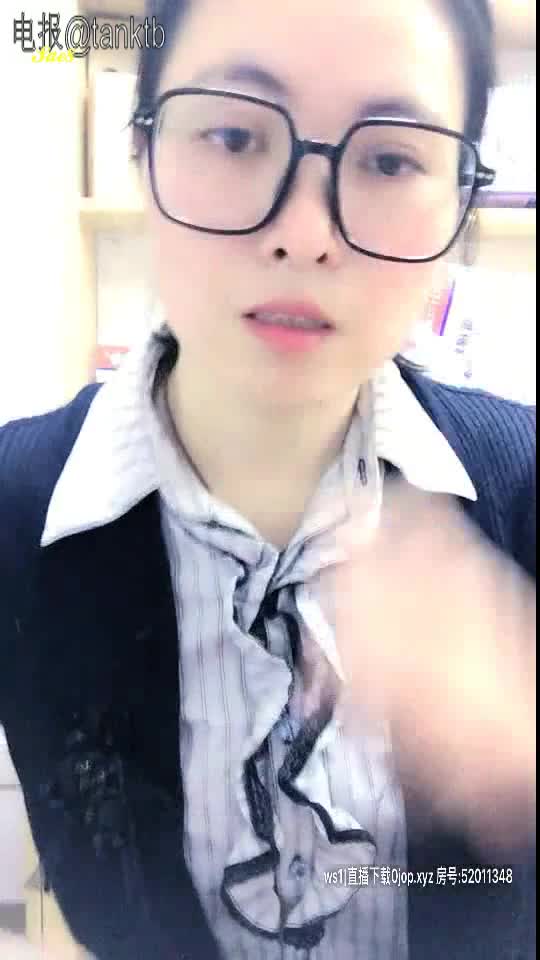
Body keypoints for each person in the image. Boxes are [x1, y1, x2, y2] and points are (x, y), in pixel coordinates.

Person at [0, 0, 535, 958]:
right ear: (141, 150)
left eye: (389, 161)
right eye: (236, 135)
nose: (304, 234)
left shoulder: (525, 487)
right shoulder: (14, 507)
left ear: (462, 201)